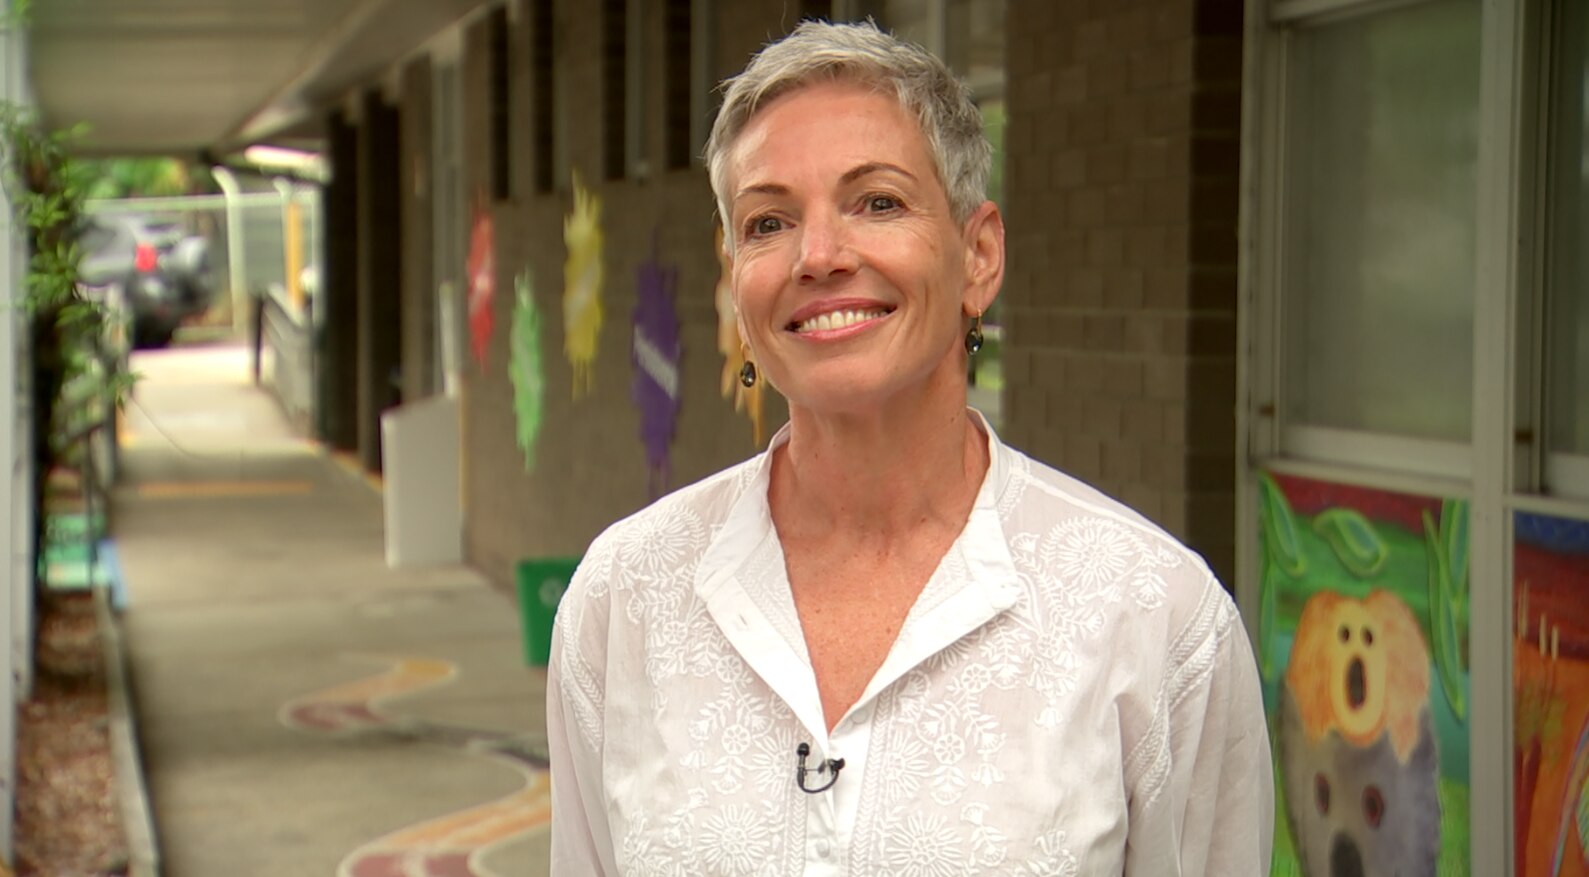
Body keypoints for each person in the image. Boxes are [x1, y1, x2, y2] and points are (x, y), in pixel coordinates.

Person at [547, 19, 1273, 876]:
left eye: (877, 202)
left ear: (978, 254)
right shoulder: (625, 598)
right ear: (734, 280)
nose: (818, 256)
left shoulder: (1152, 616)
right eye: (768, 221)